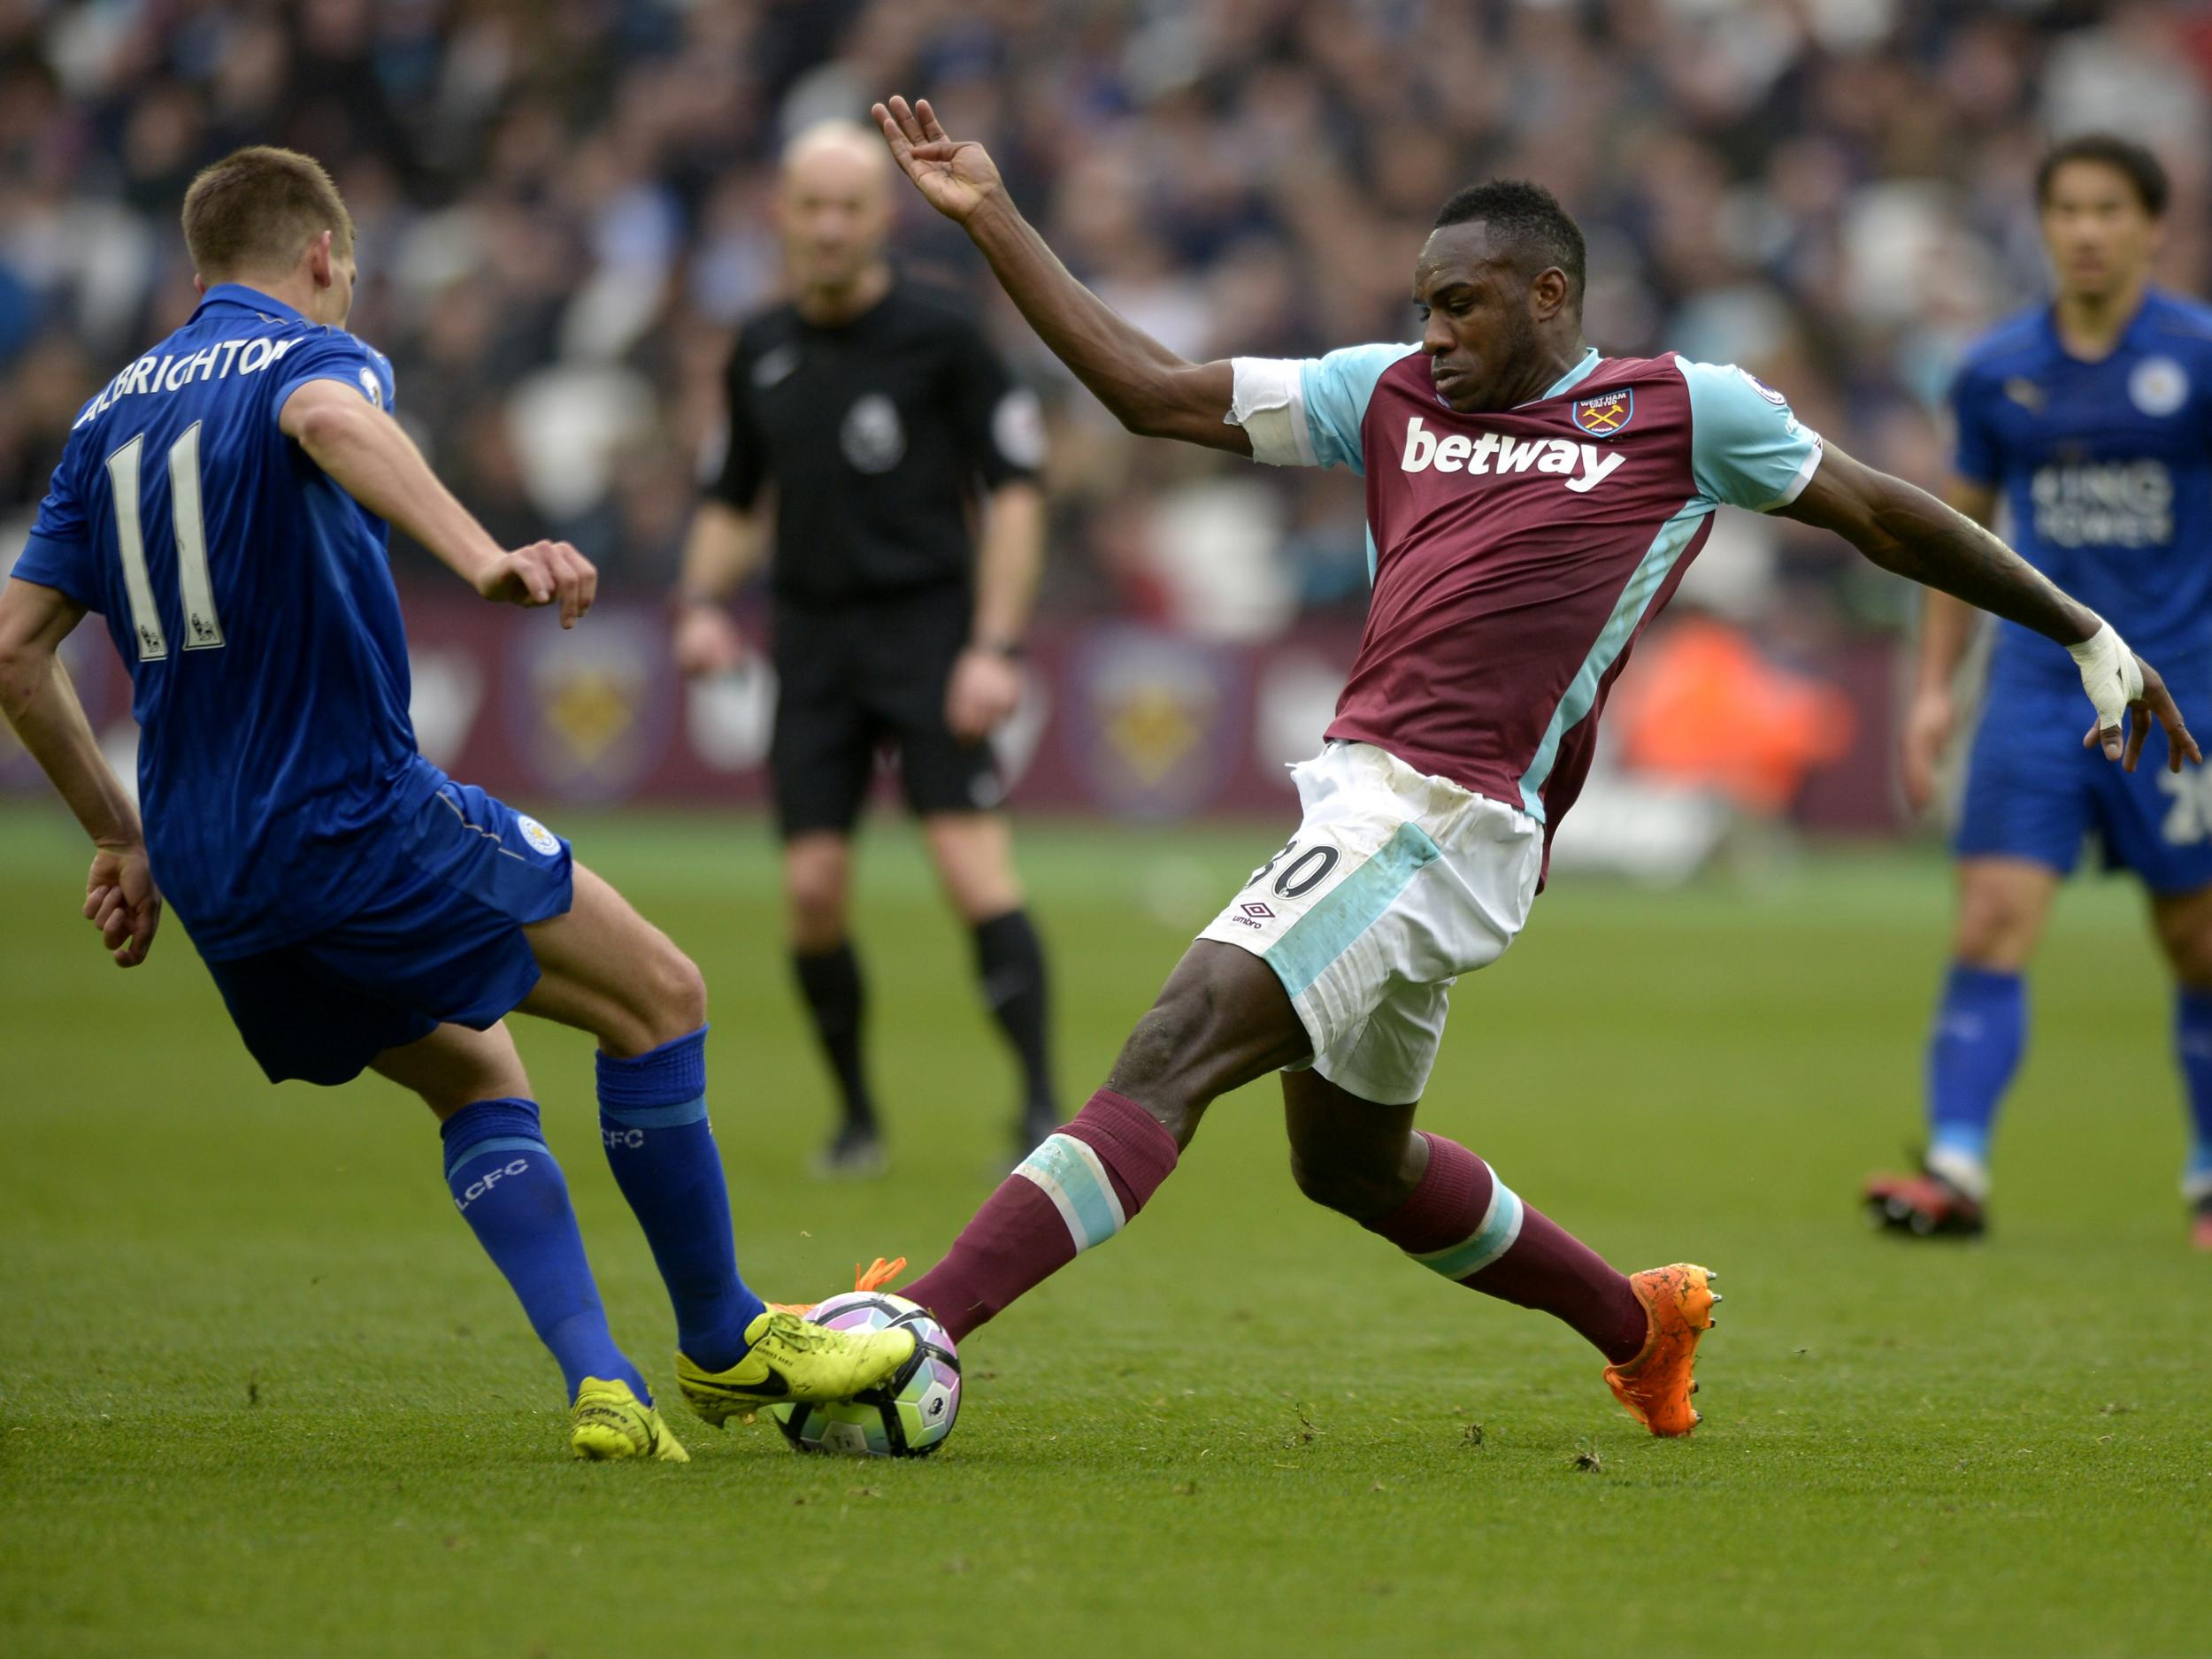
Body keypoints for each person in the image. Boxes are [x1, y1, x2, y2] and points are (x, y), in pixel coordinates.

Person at [861, 96, 2197, 1438]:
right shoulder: (1378, 391)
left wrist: (2080, 628)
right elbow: (1149, 390)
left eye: (1460, 305)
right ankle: (1640, 1321)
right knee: (1352, 1166)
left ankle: (921, 1325)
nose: (1433, 333)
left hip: (1445, 814)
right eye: (1424, 305)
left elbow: (1882, 514)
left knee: (1173, 1044)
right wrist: (993, 217)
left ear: (1547, 293)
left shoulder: (1681, 410)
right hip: (1372, 797)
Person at [0, 146, 913, 1463]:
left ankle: (601, 1382)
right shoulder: (309, 354)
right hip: (353, 813)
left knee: (477, 1071)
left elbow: (18, 652)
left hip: (209, 866)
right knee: (660, 996)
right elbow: (326, 420)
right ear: (321, 254)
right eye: (352, 270)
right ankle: (722, 1340)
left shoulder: (103, 419)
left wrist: (113, 829)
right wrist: (486, 552)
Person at [672, 121, 1059, 1178]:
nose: (832, 225)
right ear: (782, 216)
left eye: (851, 206)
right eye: (813, 206)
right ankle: (855, 1122)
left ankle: (1039, 1109)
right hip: (812, 645)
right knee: (810, 891)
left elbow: (1017, 493)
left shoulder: (945, 333)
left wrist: (996, 644)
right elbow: (729, 497)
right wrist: (701, 602)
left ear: (884, 218)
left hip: (931, 635)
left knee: (971, 869)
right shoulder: (758, 348)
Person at [1865, 136, 2212, 1248]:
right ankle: (1955, 1168)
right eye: (2067, 208)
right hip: (2036, 690)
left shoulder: (2197, 360)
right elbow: (1947, 542)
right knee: (1989, 920)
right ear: (2045, 225)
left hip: (2184, 690)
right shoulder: (1993, 370)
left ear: (2152, 226)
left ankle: (2209, 1175)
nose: (2088, 229)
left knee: (2197, 942)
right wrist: (1931, 693)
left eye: (2110, 208)